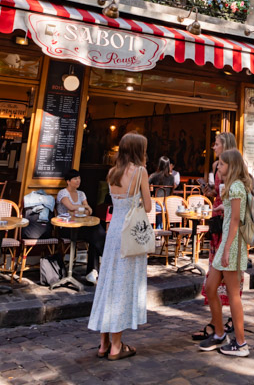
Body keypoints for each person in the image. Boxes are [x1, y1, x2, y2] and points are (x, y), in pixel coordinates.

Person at [88, 132, 152, 361]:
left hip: (113, 232)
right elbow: (148, 206)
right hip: (131, 235)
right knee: (123, 286)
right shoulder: (141, 172)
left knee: (108, 283)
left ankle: (103, 343)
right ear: (138, 150)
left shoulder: (112, 173)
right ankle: (116, 345)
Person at [199, 148, 252, 357]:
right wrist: (224, 209)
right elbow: (233, 213)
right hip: (228, 243)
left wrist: (227, 248)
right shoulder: (231, 187)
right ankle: (220, 333)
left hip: (233, 243)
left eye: (221, 164)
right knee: (210, 287)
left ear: (231, 165)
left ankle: (241, 343)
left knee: (232, 294)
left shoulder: (237, 186)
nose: (218, 167)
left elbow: (237, 221)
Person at [192, 131, 237, 342]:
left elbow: (235, 194)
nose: (213, 147)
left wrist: (223, 201)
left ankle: (227, 324)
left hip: (229, 222)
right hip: (217, 220)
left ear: (225, 145)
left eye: (216, 144)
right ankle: (217, 322)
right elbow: (217, 193)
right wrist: (208, 190)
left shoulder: (234, 166)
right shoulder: (215, 166)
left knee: (228, 277)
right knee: (213, 273)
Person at [57, 169, 106, 284]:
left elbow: (89, 210)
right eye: (75, 178)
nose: (78, 180)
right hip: (66, 227)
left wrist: (80, 209)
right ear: (68, 181)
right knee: (95, 234)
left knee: (95, 233)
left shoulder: (81, 193)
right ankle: (103, 259)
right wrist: (82, 207)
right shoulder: (63, 193)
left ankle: (92, 272)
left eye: (79, 178)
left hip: (81, 226)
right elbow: (70, 206)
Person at [149, 156, 174, 228]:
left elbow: (146, 184)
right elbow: (172, 191)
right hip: (168, 204)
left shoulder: (153, 176)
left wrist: (151, 189)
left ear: (159, 164)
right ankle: (162, 228)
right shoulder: (171, 177)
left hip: (156, 204)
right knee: (161, 208)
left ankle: (158, 229)